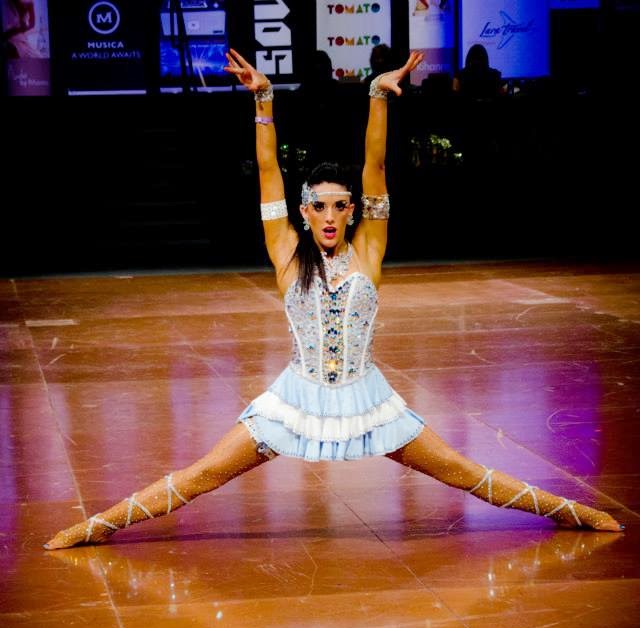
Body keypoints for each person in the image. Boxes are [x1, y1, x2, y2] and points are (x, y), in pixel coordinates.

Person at [43, 48, 622, 549]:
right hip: (294, 400)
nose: (328, 215)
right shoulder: (286, 256)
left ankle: (573, 512)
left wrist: (378, 96)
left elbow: (376, 165)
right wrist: (263, 100)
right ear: (303, 211)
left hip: (369, 399)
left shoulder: (369, 251)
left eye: (340, 205)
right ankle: (94, 527)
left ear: (351, 211)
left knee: (461, 470)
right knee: (202, 475)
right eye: (318, 205)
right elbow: (267, 171)